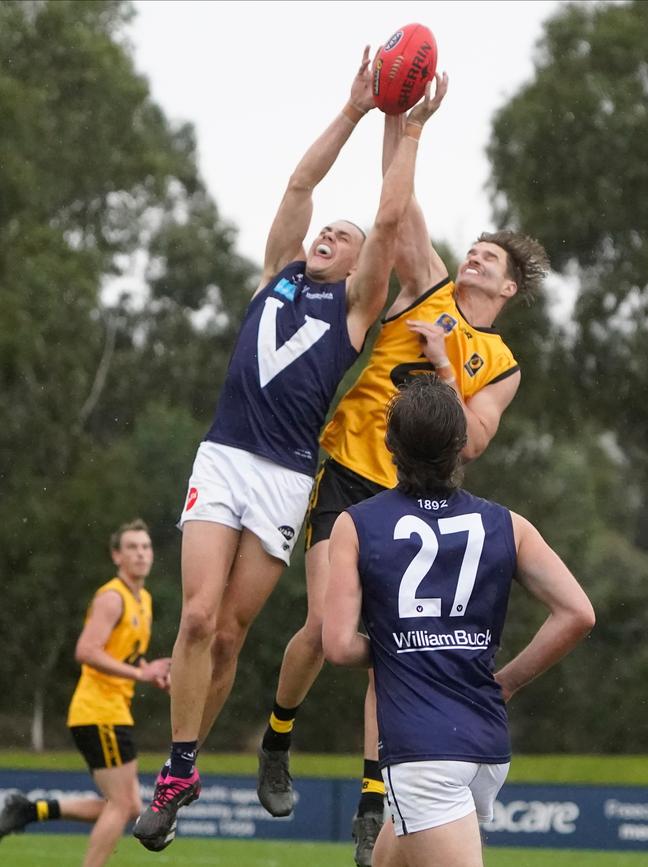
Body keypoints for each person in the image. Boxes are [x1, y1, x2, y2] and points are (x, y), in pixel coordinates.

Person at [133, 47, 447, 853]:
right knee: (198, 615)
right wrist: (351, 110)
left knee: (232, 635)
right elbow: (301, 189)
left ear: (354, 270)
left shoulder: (352, 313)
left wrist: (405, 131)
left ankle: (191, 759)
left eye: (340, 236)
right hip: (223, 457)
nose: (330, 232)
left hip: (282, 479)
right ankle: (180, 769)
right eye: (326, 231)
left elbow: (386, 221)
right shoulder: (276, 274)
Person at [256, 102, 550, 866]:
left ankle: (371, 797)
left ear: (511, 289)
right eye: (475, 248)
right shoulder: (429, 283)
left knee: (393, 646)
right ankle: (277, 736)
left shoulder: (500, 365)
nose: (476, 257)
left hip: (416, 497)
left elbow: (475, 442)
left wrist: (447, 366)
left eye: (490, 258)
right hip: (350, 468)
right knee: (325, 630)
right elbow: (402, 201)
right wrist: (403, 118)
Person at [322, 374, 595, 867]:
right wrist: (507, 680)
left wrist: (404, 646)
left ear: (389, 447)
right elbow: (577, 613)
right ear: (461, 446)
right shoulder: (508, 524)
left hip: (423, 752)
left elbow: (338, 646)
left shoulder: (356, 524)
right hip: (486, 743)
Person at [0, 520, 170, 867]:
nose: (141, 554)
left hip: (113, 711)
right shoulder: (113, 597)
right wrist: (140, 672)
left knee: (130, 806)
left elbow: (123, 652)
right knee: (122, 805)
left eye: (146, 547)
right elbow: (87, 650)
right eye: (132, 547)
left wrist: (147, 671)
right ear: (116, 556)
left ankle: (30, 810)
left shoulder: (144, 600)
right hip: (98, 711)